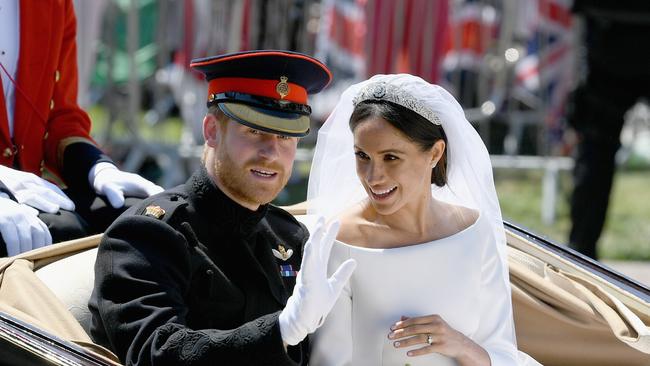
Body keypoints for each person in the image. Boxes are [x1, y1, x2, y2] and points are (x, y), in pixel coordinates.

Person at [88, 50, 356, 365]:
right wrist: (281, 331)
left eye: (286, 136)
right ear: (212, 131)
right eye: (254, 131)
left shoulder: (288, 236)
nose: (271, 152)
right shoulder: (147, 235)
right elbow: (156, 352)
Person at [306, 74, 540, 365]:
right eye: (362, 156)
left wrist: (460, 345)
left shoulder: (475, 232)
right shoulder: (339, 238)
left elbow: (501, 351)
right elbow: (328, 361)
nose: (373, 177)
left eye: (391, 158)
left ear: (435, 153)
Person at [0, 0, 163, 257]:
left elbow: (60, 115)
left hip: (32, 194)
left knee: (143, 219)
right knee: (65, 230)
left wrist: (97, 168)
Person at [567, 1, 650, 259]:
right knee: (596, 145)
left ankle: (581, 257)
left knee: (596, 147)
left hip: (609, 30)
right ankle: (581, 255)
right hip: (609, 28)